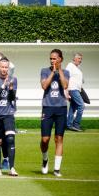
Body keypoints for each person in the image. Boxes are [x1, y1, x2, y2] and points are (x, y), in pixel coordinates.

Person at [40, 49, 70, 177]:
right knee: (45, 139)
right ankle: (45, 159)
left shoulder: (66, 72)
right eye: (51, 58)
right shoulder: (45, 71)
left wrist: (60, 71)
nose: (52, 61)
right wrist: (53, 72)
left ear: (60, 59)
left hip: (61, 108)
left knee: (59, 138)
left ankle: (57, 169)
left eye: (55, 58)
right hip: (47, 107)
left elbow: (64, 85)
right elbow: (44, 86)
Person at [0, 58, 18, 178]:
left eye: (6, 67)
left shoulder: (13, 79)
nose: (4, 69)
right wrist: (3, 85)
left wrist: (10, 89)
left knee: (10, 139)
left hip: (8, 114)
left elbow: (12, 98)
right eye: (2, 67)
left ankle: (12, 168)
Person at [66, 53, 84, 132]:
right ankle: (76, 124)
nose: (80, 60)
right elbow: (66, 77)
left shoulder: (77, 68)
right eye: (79, 58)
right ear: (74, 59)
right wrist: (66, 91)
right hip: (72, 89)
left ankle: (69, 125)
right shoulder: (70, 65)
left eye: (81, 59)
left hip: (77, 89)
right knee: (81, 105)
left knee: (72, 108)